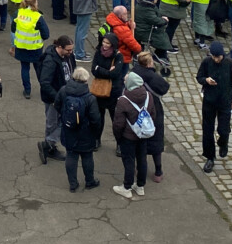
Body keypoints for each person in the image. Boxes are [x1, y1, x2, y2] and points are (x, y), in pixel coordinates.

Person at [111, 71, 159, 199]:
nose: (124, 82)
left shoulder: (123, 101)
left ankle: (127, 187)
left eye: (126, 81)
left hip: (128, 137)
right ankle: (140, 186)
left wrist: (118, 138)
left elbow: (118, 124)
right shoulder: (149, 96)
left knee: (129, 161)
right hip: (143, 135)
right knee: (142, 160)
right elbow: (153, 115)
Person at [196, 41, 232, 173]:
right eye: (214, 57)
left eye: (218, 57)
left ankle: (223, 142)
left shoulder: (230, 64)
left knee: (223, 129)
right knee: (207, 130)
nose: (216, 59)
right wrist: (206, 80)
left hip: (225, 101)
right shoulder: (206, 62)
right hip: (209, 101)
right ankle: (210, 157)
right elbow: (199, 77)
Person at [54, 66, 102, 192]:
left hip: (69, 130)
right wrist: (95, 133)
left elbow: (57, 105)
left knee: (71, 156)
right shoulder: (90, 98)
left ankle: (73, 184)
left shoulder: (64, 90)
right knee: (87, 157)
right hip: (86, 132)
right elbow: (95, 119)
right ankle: (90, 181)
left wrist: (65, 119)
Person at [131, 52, 170, 182]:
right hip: (153, 108)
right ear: (149, 63)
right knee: (156, 139)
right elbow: (164, 88)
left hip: (137, 107)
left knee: (139, 139)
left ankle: (139, 167)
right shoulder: (152, 76)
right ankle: (158, 171)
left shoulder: (134, 72)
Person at [38, 35, 75, 162]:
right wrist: (56, 97)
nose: (70, 53)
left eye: (71, 50)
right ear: (59, 47)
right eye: (68, 50)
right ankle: (49, 146)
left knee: (62, 121)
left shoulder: (68, 56)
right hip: (53, 98)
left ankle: (48, 145)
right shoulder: (50, 61)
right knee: (53, 123)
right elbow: (45, 82)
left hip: (66, 95)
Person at [11, 0, 50, 98]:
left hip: (21, 46)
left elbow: (13, 28)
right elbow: (46, 34)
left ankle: (27, 91)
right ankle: (44, 88)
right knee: (39, 69)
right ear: (35, 3)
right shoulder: (38, 17)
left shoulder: (18, 13)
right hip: (35, 48)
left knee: (24, 68)